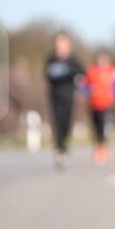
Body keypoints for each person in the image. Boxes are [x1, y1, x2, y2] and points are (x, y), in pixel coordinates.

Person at [44, 32, 85, 168]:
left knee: (66, 124)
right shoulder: (51, 59)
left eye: (63, 44)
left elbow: (82, 73)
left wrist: (71, 74)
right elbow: (47, 74)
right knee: (57, 123)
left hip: (69, 97)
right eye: (58, 44)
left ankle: (63, 145)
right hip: (55, 97)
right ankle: (59, 149)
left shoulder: (73, 60)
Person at [84, 51, 115, 164]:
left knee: (104, 127)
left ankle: (104, 149)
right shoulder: (91, 71)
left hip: (106, 104)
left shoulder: (111, 70)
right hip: (94, 104)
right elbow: (85, 85)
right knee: (96, 127)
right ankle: (97, 148)